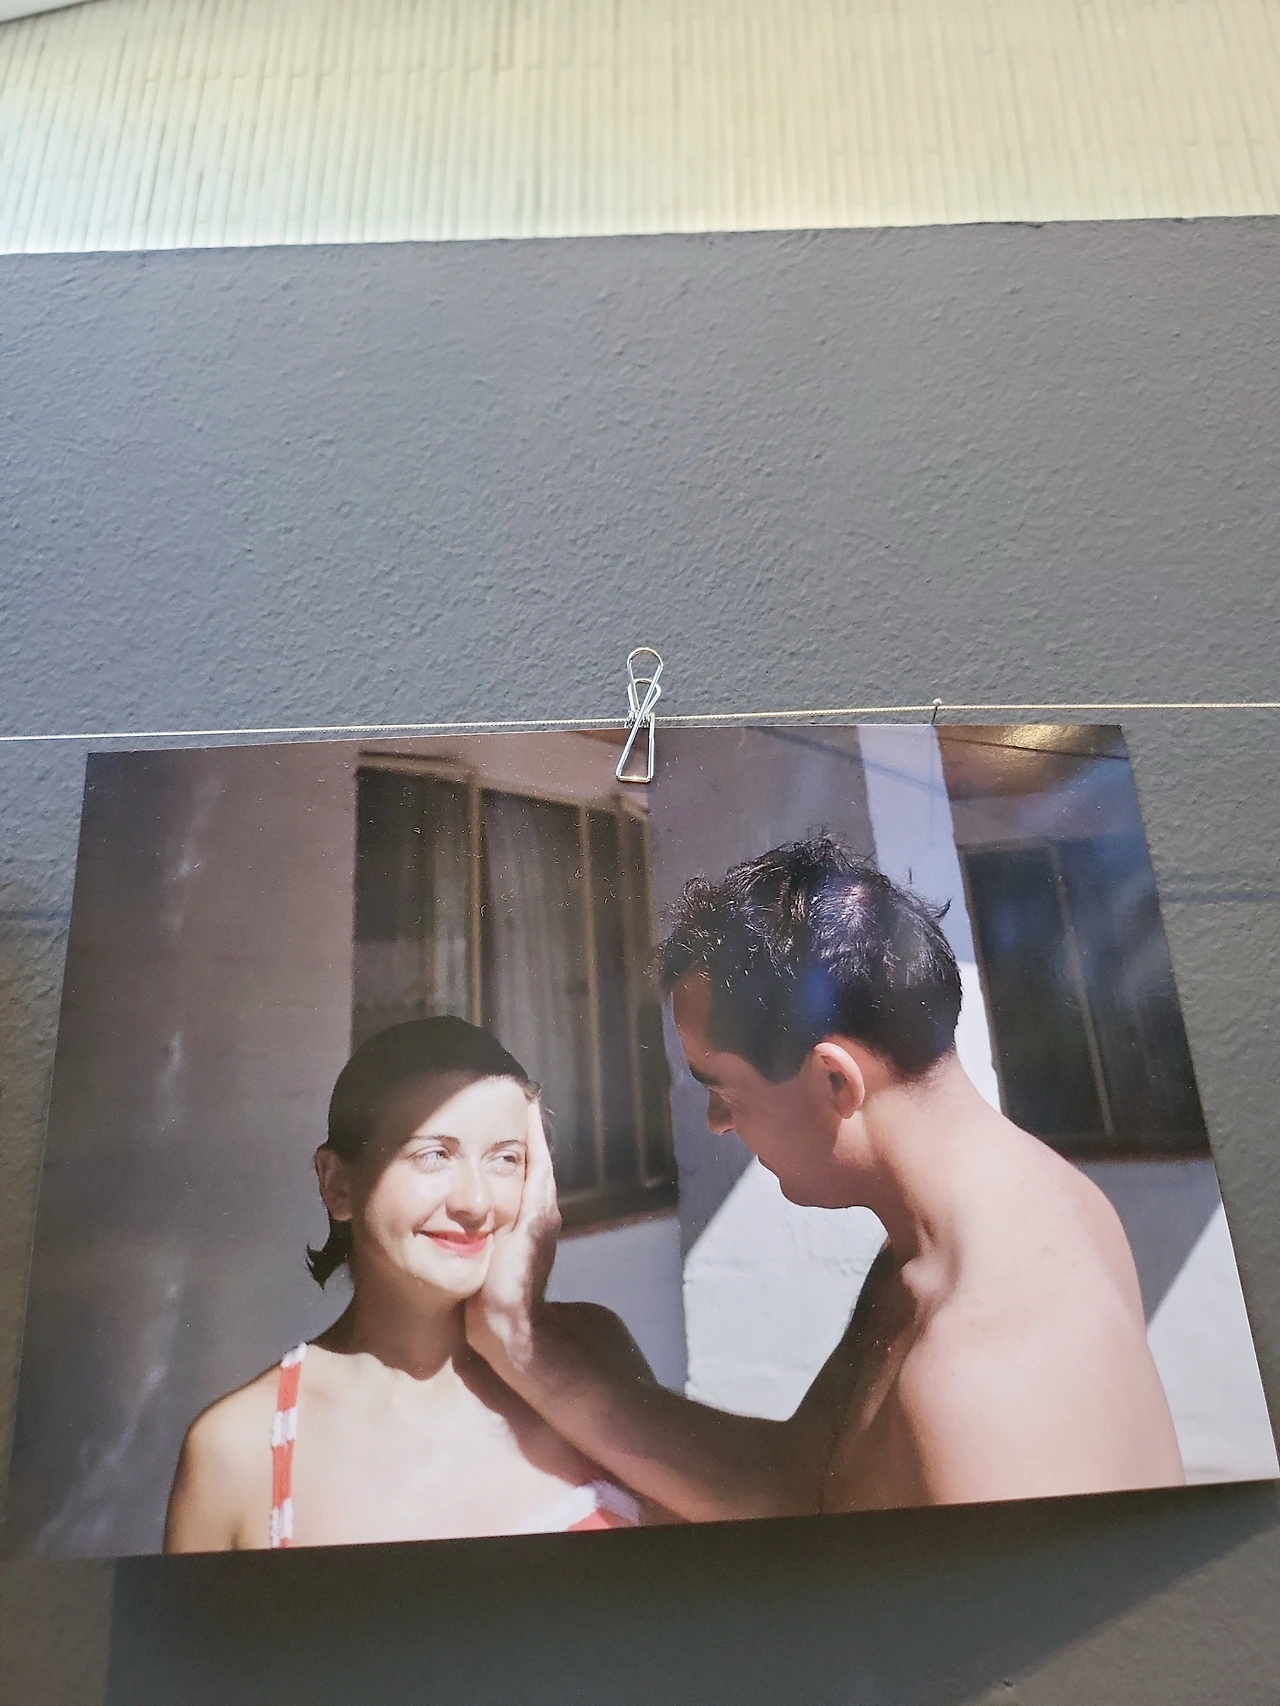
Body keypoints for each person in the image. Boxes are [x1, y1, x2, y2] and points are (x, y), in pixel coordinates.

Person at [466, 837, 1187, 1519]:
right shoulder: (990, 1224)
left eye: (725, 1091)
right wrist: (524, 1346)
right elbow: (799, 1484)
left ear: (836, 1081)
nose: (717, 1123)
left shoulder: (986, 1370)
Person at [164, 1018, 655, 1551]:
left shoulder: (593, 1350)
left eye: (506, 1159)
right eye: (434, 1155)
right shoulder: (238, 1447)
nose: (476, 1202)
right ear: (337, 1184)